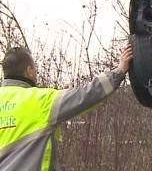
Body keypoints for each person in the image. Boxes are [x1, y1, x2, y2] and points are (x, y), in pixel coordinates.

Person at [0, 43, 132, 170]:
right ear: (29, 71)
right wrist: (119, 71)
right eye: (34, 69)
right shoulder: (41, 101)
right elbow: (85, 95)